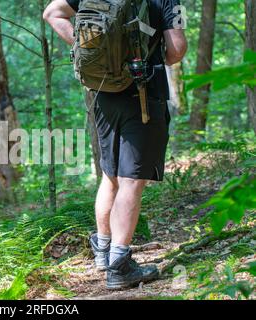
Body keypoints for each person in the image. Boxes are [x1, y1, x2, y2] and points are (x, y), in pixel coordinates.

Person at [43, 0, 187, 289]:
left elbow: (51, 13)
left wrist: (90, 49)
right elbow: (176, 50)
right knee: (132, 180)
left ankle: (104, 252)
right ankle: (119, 265)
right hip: (144, 90)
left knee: (110, 175)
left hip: (103, 91)